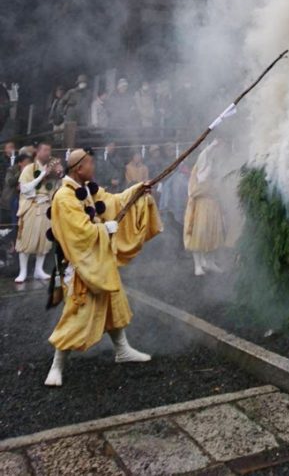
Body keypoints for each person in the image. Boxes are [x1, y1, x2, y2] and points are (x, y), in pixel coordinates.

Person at [44, 147, 161, 387]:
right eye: (90, 164)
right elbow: (76, 232)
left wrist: (137, 190)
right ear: (79, 168)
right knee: (77, 314)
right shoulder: (65, 197)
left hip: (100, 260)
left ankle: (123, 350)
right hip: (81, 265)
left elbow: (112, 202)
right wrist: (103, 229)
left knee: (113, 302)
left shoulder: (85, 189)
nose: (93, 168)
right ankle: (57, 366)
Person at [15, 141, 63, 283]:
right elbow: (25, 188)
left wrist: (59, 174)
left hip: (46, 207)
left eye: (49, 150)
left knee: (44, 240)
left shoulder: (52, 168)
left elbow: (57, 188)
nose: (48, 152)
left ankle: (38, 270)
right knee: (26, 239)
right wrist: (42, 175)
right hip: (31, 206)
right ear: (38, 151)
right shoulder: (29, 168)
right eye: (45, 150)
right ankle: (22, 271)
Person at [184, 140, 226, 276]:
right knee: (199, 233)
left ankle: (209, 262)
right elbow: (203, 157)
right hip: (200, 205)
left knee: (213, 233)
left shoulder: (213, 166)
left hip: (213, 204)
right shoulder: (200, 167)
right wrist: (212, 146)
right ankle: (198, 265)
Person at [58, 75, 91, 149]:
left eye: (84, 82)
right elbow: (61, 102)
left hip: (82, 119)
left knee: (81, 138)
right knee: (69, 138)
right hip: (71, 117)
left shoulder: (88, 93)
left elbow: (88, 106)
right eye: (81, 82)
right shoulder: (71, 92)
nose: (83, 84)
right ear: (78, 83)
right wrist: (62, 113)